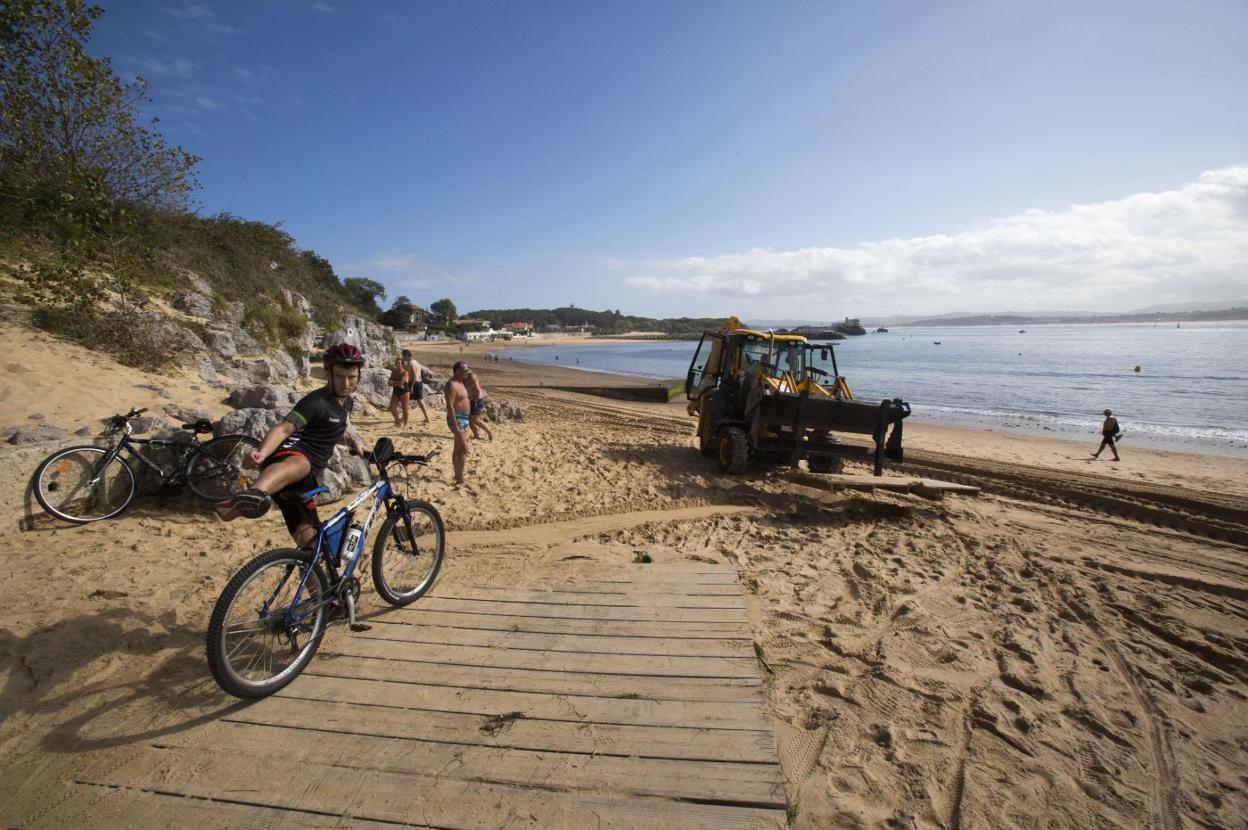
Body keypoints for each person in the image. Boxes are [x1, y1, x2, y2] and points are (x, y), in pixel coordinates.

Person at [214, 343, 370, 547]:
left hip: (304, 480)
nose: (346, 383)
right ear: (328, 372)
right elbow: (283, 429)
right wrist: (262, 452)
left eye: (352, 377)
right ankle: (254, 494)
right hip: (288, 459)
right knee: (301, 463)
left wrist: (354, 441)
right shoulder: (315, 402)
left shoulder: (345, 403)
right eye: (340, 376)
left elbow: (334, 429)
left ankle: (313, 577)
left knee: (309, 539)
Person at [445, 361, 472, 485]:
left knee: (458, 449)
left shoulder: (462, 382)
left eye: (468, 369)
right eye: (465, 370)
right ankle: (460, 479)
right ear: (456, 371)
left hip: (465, 419)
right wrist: (455, 425)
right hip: (457, 419)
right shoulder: (451, 384)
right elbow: (450, 406)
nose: (468, 372)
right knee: (464, 449)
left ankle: (457, 476)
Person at [464, 365, 493, 441]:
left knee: (476, 420)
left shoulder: (472, 377)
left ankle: (489, 432)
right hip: (471, 401)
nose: (466, 372)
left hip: (476, 400)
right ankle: (476, 435)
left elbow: (477, 390)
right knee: (470, 421)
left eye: (467, 370)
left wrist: (475, 401)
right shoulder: (465, 377)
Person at [402, 349, 430, 424]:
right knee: (419, 400)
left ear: (407, 356)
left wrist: (411, 386)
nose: (403, 358)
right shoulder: (416, 362)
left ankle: (404, 417)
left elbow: (414, 375)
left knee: (406, 400)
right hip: (419, 382)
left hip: (414, 383)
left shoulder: (410, 363)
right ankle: (426, 417)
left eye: (403, 356)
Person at [387, 355, 410, 428]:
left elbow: (401, 383)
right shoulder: (394, 372)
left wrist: (394, 383)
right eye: (396, 363)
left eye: (399, 363)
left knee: (405, 408)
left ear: (402, 364)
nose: (397, 365)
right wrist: (397, 383)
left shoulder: (405, 373)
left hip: (404, 391)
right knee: (392, 407)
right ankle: (397, 422)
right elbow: (389, 383)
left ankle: (405, 424)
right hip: (396, 391)